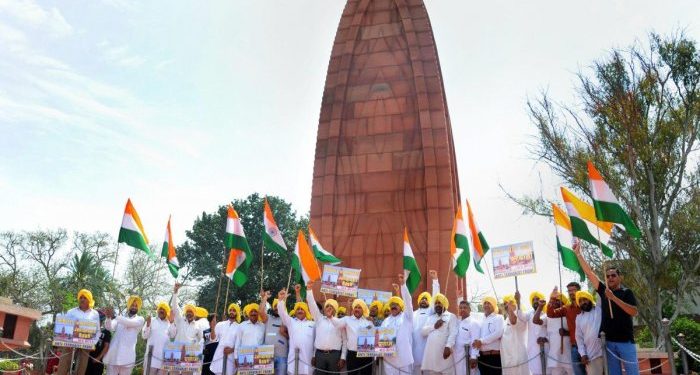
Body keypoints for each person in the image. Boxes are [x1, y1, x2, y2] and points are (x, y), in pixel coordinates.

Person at [574, 245, 639, 375]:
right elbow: (589, 273)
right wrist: (578, 254)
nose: (610, 278)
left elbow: (633, 312)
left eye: (613, 275)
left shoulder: (627, 292)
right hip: (609, 343)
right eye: (608, 276)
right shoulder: (604, 290)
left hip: (626, 341)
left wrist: (613, 298)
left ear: (620, 277)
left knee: (633, 373)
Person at [306, 281, 347, 375]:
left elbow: (345, 341)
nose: (328, 308)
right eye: (327, 306)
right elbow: (312, 305)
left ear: (335, 309)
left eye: (331, 306)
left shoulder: (341, 322)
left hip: (334, 356)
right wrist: (309, 290)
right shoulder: (319, 319)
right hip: (319, 355)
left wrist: (343, 357)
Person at [57, 289, 101, 375]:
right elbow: (65, 326)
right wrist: (67, 342)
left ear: (89, 300)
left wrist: (93, 343)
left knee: (81, 368)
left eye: (85, 297)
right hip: (70, 343)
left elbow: (97, 331)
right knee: (63, 365)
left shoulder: (95, 314)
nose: (82, 299)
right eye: (81, 297)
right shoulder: (71, 312)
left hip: (86, 344)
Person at [329, 298, 373, 375]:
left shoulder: (368, 322)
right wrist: (331, 317)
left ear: (363, 310)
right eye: (355, 307)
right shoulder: (347, 319)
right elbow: (337, 324)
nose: (357, 309)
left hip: (366, 355)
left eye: (359, 308)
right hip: (352, 355)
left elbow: (373, 336)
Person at [546, 283, 584, 375]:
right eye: (569, 291)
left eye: (573, 290)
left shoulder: (586, 305)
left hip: (589, 346)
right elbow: (551, 313)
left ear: (579, 291)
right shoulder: (567, 308)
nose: (571, 292)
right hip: (575, 347)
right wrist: (552, 298)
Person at [103, 296, 146, 375]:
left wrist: (115, 316)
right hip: (114, 356)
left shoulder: (140, 319)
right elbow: (109, 327)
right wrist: (108, 317)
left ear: (138, 308)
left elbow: (129, 323)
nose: (134, 307)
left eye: (136, 306)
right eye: (132, 305)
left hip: (127, 357)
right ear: (128, 305)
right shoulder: (121, 318)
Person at [381, 273, 414, 375]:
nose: (393, 307)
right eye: (391, 305)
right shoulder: (385, 321)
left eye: (396, 305)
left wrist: (403, 285)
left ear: (400, 306)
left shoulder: (407, 317)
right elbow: (380, 338)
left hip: (404, 359)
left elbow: (408, 301)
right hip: (389, 360)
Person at [277, 287, 315, 375]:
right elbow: (282, 313)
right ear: (295, 312)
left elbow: (316, 342)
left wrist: (314, 356)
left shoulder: (312, 324)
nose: (300, 311)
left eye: (302, 309)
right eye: (298, 309)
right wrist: (281, 300)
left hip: (308, 362)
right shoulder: (291, 322)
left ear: (306, 311)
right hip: (293, 362)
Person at [421, 292, 458, 375]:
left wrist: (448, 347)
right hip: (432, 356)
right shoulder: (431, 318)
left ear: (444, 304)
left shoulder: (451, 316)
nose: (437, 305)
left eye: (440, 303)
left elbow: (453, 333)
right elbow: (423, 332)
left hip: (444, 353)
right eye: (436, 303)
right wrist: (434, 326)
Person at [413, 270, 441, 375]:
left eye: (426, 299)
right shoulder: (414, 313)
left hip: (428, 349)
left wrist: (435, 280)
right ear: (419, 301)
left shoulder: (431, 311)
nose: (424, 300)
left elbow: (436, 297)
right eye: (422, 299)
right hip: (415, 351)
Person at [472, 296, 504, 375]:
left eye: (489, 303)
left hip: (493, 357)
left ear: (493, 305)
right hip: (482, 358)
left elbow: (498, 333)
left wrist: (481, 341)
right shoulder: (480, 319)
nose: (486, 305)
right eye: (485, 303)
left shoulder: (499, 318)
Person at [574, 291, 603, 375]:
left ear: (590, 298)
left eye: (585, 299)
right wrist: (583, 354)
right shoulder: (578, 318)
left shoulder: (598, 309)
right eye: (580, 301)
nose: (583, 302)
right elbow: (579, 339)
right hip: (591, 355)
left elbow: (600, 293)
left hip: (606, 351)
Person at [545, 294, 574, 375]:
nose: (556, 302)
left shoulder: (569, 314)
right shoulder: (550, 317)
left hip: (568, 351)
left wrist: (567, 333)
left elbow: (576, 331)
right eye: (555, 300)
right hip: (555, 353)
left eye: (558, 300)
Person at [233, 299, 268, 366]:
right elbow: (238, 342)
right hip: (244, 358)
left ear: (258, 313)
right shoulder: (242, 325)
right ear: (248, 313)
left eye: (255, 311)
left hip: (258, 359)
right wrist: (236, 358)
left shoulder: (263, 326)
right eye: (251, 311)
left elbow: (264, 342)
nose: (253, 313)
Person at [209, 303, 242, 375]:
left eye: (234, 310)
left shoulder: (240, 327)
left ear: (237, 313)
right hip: (219, 355)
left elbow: (240, 344)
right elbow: (213, 339)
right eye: (230, 310)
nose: (232, 312)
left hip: (232, 357)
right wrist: (212, 328)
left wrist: (231, 350)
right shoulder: (220, 324)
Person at [453, 288, 480, 375]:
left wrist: (473, 356)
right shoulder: (458, 322)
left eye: (465, 308)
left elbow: (475, 341)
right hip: (457, 357)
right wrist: (459, 298)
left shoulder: (473, 323)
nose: (462, 310)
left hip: (467, 358)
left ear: (469, 310)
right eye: (460, 308)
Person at [500, 293, 528, 375]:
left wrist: (510, 309)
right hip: (507, 357)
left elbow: (513, 321)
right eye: (505, 303)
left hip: (517, 356)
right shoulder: (506, 319)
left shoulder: (520, 316)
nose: (506, 305)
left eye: (509, 303)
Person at [141, 301, 172, 375]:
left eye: (163, 309)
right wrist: (148, 325)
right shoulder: (151, 320)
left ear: (167, 312)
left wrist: (172, 322)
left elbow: (173, 335)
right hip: (151, 358)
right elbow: (144, 336)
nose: (161, 311)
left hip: (164, 360)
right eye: (160, 309)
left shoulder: (169, 323)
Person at [264, 298, 289, 375]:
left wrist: (284, 333)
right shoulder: (268, 318)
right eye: (275, 306)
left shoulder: (287, 320)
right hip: (267, 355)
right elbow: (260, 312)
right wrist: (264, 298)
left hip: (282, 355)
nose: (277, 308)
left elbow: (293, 337)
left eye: (278, 306)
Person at [526, 292, 549, 375]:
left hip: (544, 347)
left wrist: (546, 338)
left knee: (546, 372)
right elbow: (520, 316)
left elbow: (536, 321)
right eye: (534, 300)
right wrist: (517, 301)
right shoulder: (528, 314)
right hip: (532, 349)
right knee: (535, 372)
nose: (535, 301)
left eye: (537, 299)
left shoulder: (546, 315)